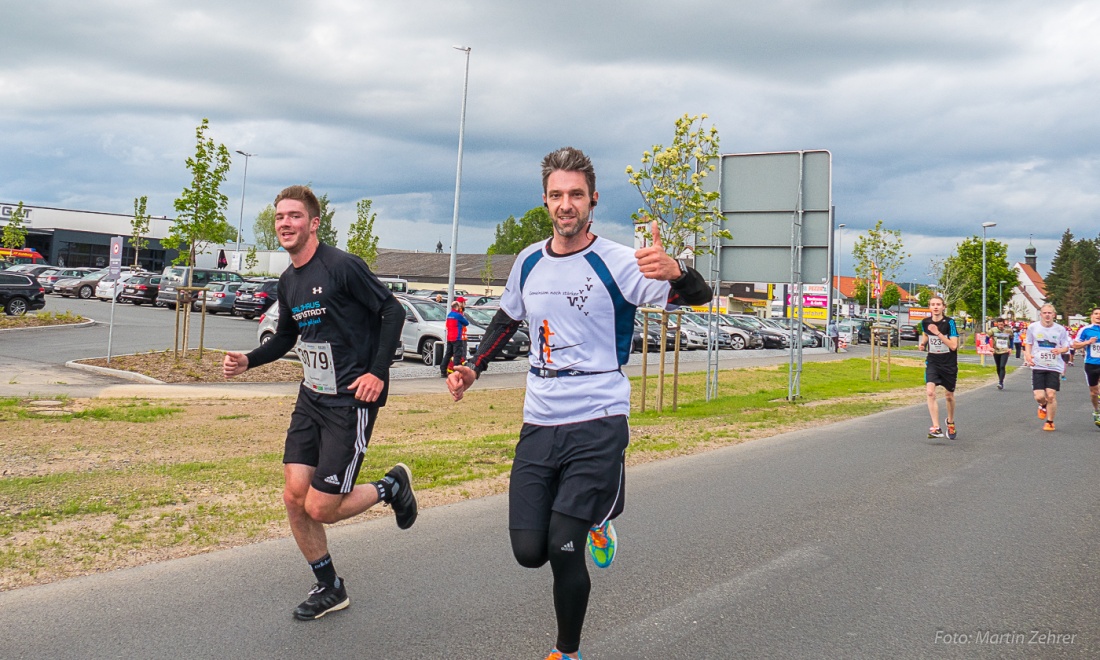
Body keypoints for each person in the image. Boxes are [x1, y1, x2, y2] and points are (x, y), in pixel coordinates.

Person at [446, 147, 712, 660]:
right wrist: (473, 367)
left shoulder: (619, 262)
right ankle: (596, 514)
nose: (565, 204)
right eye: (556, 195)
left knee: (561, 546)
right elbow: (505, 321)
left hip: (599, 416)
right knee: (529, 552)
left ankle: (567, 650)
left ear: (592, 199)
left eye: (575, 195)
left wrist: (678, 271)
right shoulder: (527, 260)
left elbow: (696, 298)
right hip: (540, 420)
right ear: (546, 201)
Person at [222, 185, 417, 620]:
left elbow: (393, 312)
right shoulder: (289, 280)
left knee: (321, 507)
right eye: (279, 217)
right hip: (311, 397)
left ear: (313, 223)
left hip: (352, 399)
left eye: (294, 216)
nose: (285, 224)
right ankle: (329, 586)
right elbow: (290, 337)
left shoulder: (343, 267)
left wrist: (377, 372)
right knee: (295, 497)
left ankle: (392, 487)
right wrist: (249, 360)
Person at [1023, 303, 1073, 432]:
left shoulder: (1060, 329)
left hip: (1054, 365)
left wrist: (1060, 350)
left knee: (1051, 394)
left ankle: (1050, 422)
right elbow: (1028, 343)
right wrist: (1028, 355)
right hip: (1038, 364)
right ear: (1041, 315)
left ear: (1054, 315)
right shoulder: (1033, 327)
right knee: (1039, 396)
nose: (1047, 315)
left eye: (1049, 313)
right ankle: (1042, 404)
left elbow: (1066, 347)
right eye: (1044, 313)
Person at [918, 296, 959, 439]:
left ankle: (950, 421)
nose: (935, 307)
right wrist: (923, 344)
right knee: (930, 392)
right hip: (933, 362)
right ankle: (936, 427)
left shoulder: (950, 323)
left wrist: (939, 334)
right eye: (933, 304)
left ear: (943, 307)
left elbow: (954, 346)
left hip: (948, 363)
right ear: (929, 307)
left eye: (938, 304)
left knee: (949, 396)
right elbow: (926, 334)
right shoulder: (925, 322)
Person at [1072, 307, 1100, 428]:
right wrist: (1087, 342)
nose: (1098, 316)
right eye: (1096, 314)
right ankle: (1096, 410)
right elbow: (1075, 345)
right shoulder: (1086, 330)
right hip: (1091, 364)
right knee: (1094, 392)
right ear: (1092, 316)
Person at [440, 296, 469, 378]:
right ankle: (456, 371)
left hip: (450, 338)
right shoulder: (458, 315)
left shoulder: (449, 315)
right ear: (457, 306)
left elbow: (447, 325)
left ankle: (443, 370)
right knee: (457, 355)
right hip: (457, 337)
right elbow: (466, 323)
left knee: (448, 354)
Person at [988, 317, 1012, 390]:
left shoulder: (1008, 330)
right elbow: (986, 337)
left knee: (1002, 366)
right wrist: (989, 346)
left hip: (1005, 351)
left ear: (1004, 324)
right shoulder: (993, 330)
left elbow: (1011, 339)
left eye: (1002, 324)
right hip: (996, 350)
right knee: (998, 366)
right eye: (999, 325)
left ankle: (1001, 382)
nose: (1001, 326)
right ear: (997, 324)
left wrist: (1010, 348)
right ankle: (1000, 379)